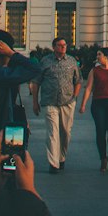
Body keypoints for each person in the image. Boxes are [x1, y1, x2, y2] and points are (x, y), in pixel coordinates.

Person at [31, 37, 82, 175]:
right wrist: (35, 102)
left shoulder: (71, 62)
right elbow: (36, 82)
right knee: (53, 132)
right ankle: (53, 163)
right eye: (60, 45)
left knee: (65, 132)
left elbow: (78, 81)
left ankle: (61, 157)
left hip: (67, 102)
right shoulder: (45, 62)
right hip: (50, 102)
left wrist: (75, 97)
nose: (63, 47)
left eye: (65, 45)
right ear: (54, 47)